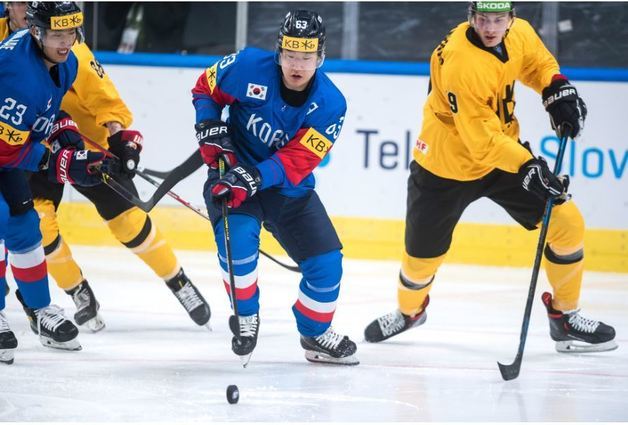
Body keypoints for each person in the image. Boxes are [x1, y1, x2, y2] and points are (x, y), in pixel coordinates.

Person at [364, 1, 617, 354]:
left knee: (566, 222)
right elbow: (480, 141)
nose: (490, 27)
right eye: (483, 19)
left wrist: (555, 89)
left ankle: (565, 316)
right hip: (444, 166)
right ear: (471, 17)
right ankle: (408, 312)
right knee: (420, 261)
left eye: (499, 19)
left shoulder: (521, 32)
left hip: (501, 157)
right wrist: (528, 166)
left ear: (511, 19)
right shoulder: (460, 62)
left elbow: (537, 63)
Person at [1, 2, 211, 332]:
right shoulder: (12, 52)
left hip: (81, 143)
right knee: (37, 226)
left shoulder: (72, 53)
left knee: (128, 222)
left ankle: (178, 280)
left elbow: (105, 100)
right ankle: (78, 291)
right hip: (27, 147)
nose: (28, 8)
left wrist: (118, 138)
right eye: (23, 2)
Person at [191, 10, 358, 366]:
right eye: (291, 54)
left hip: (288, 190)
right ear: (279, 52)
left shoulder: (331, 104)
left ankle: (314, 332)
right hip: (232, 175)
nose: (298, 65)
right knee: (237, 245)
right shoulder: (249, 65)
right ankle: (246, 315)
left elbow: (297, 161)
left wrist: (256, 177)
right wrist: (208, 124)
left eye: (307, 56)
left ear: (320, 57)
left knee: (328, 265)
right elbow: (206, 87)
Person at [0, 1, 110, 363]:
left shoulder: (66, 63)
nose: (66, 42)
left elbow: (47, 109)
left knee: (24, 226)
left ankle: (41, 310)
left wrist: (65, 133)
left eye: (71, 33)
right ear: (37, 33)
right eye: (57, 34)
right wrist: (57, 162)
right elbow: (6, 150)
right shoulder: (16, 73)